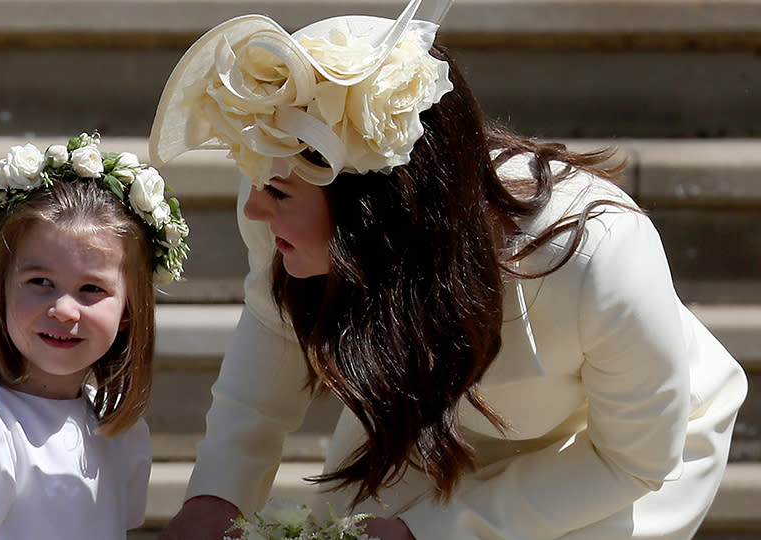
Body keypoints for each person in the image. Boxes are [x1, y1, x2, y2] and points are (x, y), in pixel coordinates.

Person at [147, 0, 749, 538]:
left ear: (376, 208)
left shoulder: (599, 255)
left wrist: (429, 530)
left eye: (277, 193)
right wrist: (218, 496)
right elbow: (273, 332)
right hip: (428, 417)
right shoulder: (277, 197)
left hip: (609, 454)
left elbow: (633, 461)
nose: (253, 208)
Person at [0, 133, 190, 540]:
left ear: (129, 311)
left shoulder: (114, 428)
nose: (63, 309)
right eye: (40, 281)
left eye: (91, 289)